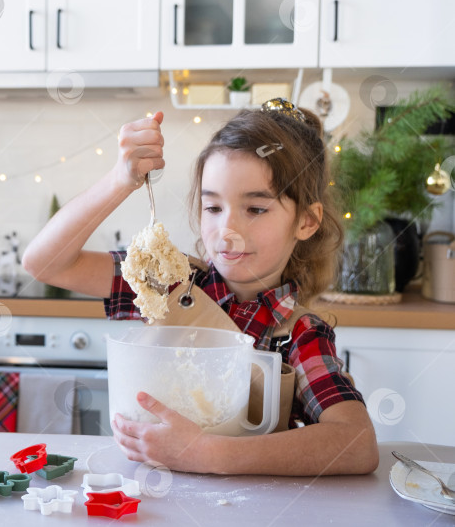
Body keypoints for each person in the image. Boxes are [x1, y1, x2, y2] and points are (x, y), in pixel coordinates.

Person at [22, 101, 379, 476]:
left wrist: (209, 454)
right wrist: (120, 179)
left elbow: (357, 443)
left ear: (307, 221)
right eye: (213, 208)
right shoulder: (170, 282)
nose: (227, 231)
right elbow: (45, 263)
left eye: (256, 209)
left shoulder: (299, 335)